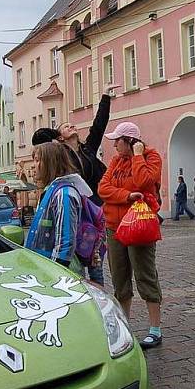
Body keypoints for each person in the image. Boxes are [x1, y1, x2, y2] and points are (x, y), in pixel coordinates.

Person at [31, 84, 118, 286]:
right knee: (76, 259)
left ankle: (99, 299)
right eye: (65, 126)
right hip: (71, 212)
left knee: (94, 265)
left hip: (90, 212)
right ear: (59, 136)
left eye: (72, 124)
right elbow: (39, 137)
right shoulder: (58, 156)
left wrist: (105, 98)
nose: (72, 126)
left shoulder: (87, 150)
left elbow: (99, 126)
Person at [98, 121, 164, 349]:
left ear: (131, 142)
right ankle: (125, 326)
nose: (114, 144)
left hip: (139, 226)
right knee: (120, 279)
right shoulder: (115, 161)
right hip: (114, 226)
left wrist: (138, 157)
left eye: (118, 140)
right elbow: (103, 189)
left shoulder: (151, 157)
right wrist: (126, 196)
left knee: (145, 276)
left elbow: (145, 181)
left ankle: (155, 329)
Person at [26, 142, 92, 274]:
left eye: (38, 160)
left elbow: (65, 241)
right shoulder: (52, 190)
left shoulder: (63, 194)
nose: (33, 165)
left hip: (59, 271)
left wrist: (55, 272)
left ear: (51, 163)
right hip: (46, 266)